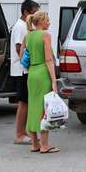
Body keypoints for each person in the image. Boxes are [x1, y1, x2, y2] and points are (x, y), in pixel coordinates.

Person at [25, 11, 60, 154]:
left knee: (33, 106)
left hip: (32, 73)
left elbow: (23, 56)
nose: (49, 22)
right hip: (42, 72)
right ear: (41, 22)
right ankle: (44, 145)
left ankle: (34, 144)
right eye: (47, 20)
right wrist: (54, 80)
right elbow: (48, 59)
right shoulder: (45, 35)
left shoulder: (29, 36)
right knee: (44, 108)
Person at [10, 0, 40, 145]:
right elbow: (19, 48)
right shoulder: (21, 27)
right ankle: (19, 134)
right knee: (24, 102)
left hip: (24, 70)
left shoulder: (25, 26)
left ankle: (23, 132)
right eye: (34, 13)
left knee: (26, 102)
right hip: (21, 70)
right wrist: (30, 63)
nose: (36, 16)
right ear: (26, 12)